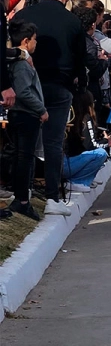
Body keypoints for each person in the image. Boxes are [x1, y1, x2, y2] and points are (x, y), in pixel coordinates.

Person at [14, 0, 86, 216]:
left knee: (25, 145)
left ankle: (24, 193)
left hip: (26, 84)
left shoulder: (27, 14)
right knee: (53, 142)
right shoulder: (73, 21)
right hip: (59, 87)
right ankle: (53, 196)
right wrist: (78, 86)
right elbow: (80, 59)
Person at [5, 20, 47, 220]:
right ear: (25, 40)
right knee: (24, 157)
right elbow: (23, 92)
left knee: (23, 157)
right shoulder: (21, 64)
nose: (36, 43)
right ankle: (22, 199)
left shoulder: (22, 61)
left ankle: (22, 196)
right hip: (25, 115)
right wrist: (41, 109)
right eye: (34, 40)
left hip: (25, 114)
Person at [63, 92, 111, 193]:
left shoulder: (71, 118)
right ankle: (78, 181)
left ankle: (84, 179)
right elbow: (91, 145)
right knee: (101, 154)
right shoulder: (86, 118)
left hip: (63, 163)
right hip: (67, 165)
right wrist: (107, 143)